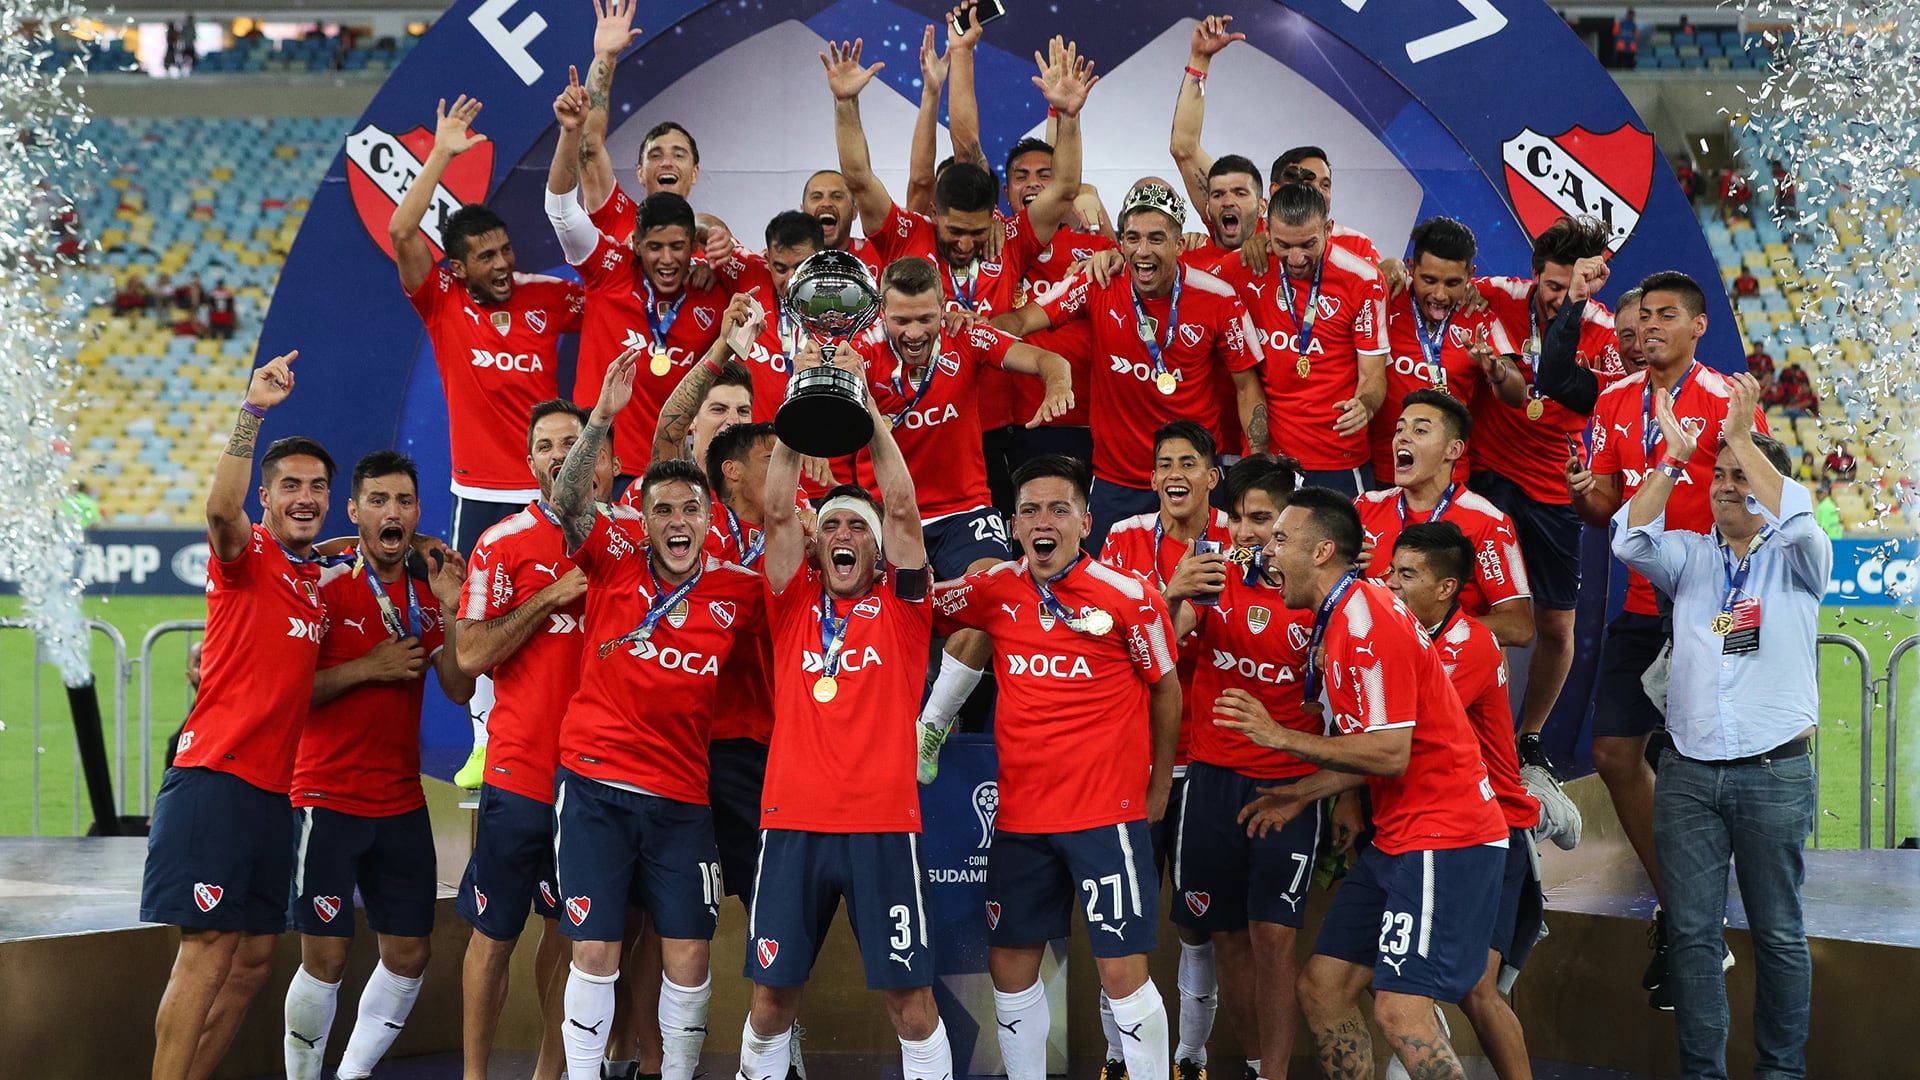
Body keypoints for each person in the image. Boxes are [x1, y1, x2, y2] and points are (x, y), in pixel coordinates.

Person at [1224, 487, 1508, 1080]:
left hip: (1446, 838)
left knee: (1402, 1011)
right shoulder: (1344, 616)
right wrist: (1299, 793)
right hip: (1402, 838)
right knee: (1324, 988)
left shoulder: (1366, 621)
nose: (1267, 553)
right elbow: (1371, 746)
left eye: (1280, 540)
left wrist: (1281, 738)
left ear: (1323, 550)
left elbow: (1389, 752)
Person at [546, 348, 764, 1080]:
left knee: (691, 955)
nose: (677, 522)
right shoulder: (611, 554)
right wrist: (602, 418)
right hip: (596, 789)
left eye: (689, 509)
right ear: (641, 521)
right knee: (597, 951)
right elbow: (569, 503)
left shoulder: (737, 588)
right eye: (662, 510)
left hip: (682, 800)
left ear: (710, 516)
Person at [736, 345, 953, 1080]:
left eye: (856, 529)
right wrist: (799, 419)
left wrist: (866, 409)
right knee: (770, 1000)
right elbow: (774, 510)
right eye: (830, 528)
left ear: (878, 550)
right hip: (791, 822)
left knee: (911, 1005)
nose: (842, 538)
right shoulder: (792, 607)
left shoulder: (905, 612)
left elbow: (900, 505)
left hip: (882, 826)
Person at [931, 454, 1182, 1080]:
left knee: (1122, 973)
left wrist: (1156, 787)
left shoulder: (1130, 597)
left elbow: (1167, 692)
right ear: (1013, 525)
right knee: (1009, 968)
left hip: (1106, 816)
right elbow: (920, 606)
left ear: (1085, 520)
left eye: (1058, 509)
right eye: (1030, 510)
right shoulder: (993, 589)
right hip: (1019, 819)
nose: (1044, 521)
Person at [1613, 375, 1827, 1080]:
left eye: (1743, 476)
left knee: (1779, 936)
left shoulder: (1800, 559)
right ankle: (1703, 1075)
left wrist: (1737, 434)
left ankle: (1781, 1072)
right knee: (1694, 936)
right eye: (1722, 474)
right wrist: (1674, 459)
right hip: (1687, 776)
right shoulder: (1688, 556)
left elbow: (1797, 515)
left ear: (1766, 487)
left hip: (1774, 774)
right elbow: (1628, 538)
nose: (1728, 485)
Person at [1567, 269, 1765, 1010]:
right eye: (1641, 316)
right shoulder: (1615, 400)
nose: (1647, 327)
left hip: (1716, 608)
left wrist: (1742, 614)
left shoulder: (1728, 401)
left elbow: (1761, 504)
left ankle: (1707, 919)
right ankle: (1688, 919)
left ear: (1698, 327)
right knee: (1613, 753)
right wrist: (1586, 493)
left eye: (1664, 316)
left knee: (1716, 762)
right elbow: (1610, 511)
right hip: (1643, 604)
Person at [142, 350, 337, 1080]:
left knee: (253, 959)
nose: (305, 497)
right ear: (267, 495)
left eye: (318, 486)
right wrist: (252, 413)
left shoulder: (310, 582)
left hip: (271, 793)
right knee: (210, 950)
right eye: (290, 485)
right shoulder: (247, 550)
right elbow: (220, 510)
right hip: (214, 779)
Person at [283, 452, 475, 1080]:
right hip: (325, 795)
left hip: (399, 801)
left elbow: (457, 689)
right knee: (326, 958)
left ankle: (353, 1073)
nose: (392, 512)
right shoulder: (327, 585)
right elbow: (290, 690)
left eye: (403, 502)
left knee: (410, 953)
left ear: (419, 512)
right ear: (354, 510)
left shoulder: (427, 590)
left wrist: (452, 608)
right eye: (378, 500)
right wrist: (371, 667)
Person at [454, 400, 609, 1080]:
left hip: (593, 777)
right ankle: (475, 1076)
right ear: (529, 462)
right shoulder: (501, 543)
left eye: (570, 442)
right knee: (494, 934)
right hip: (518, 772)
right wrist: (547, 598)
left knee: (567, 933)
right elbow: (469, 655)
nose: (557, 455)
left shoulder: (622, 542)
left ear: (594, 456)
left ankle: (551, 1074)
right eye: (544, 444)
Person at [1163, 457, 1321, 1080]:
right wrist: (1172, 593)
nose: (1247, 532)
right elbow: (1160, 647)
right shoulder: (1209, 576)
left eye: (1263, 519)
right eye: (1237, 518)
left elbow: (1346, 704)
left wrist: (1347, 799)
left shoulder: (1320, 592)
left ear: (1291, 525)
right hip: (1209, 781)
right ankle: (1257, 1066)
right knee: (1224, 938)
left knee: (1275, 942)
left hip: (1288, 789)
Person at [990, 183, 1255, 544]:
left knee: (1207, 589)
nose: (1142, 251)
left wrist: (1256, 465)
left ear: (1179, 245)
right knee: (1109, 594)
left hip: (1191, 481)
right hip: (1117, 483)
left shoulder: (1219, 298)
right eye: (1132, 238)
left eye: (1156, 239)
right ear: (1121, 244)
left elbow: (1247, 387)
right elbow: (1019, 322)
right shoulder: (1097, 282)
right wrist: (966, 326)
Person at [1095, 422, 1236, 1079]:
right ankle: (1120, 1061)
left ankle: (1190, 1057)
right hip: (1132, 759)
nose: (1173, 473)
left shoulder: (1243, 539)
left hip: (1206, 762)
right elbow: (1106, 638)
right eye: (1163, 465)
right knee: (1123, 922)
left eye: (1189, 462)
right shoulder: (1124, 539)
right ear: (1151, 480)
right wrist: (1173, 594)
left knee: (1196, 923)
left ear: (1212, 476)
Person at [1381, 522, 1544, 1080]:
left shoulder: (1469, 644)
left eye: (1408, 575)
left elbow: (1402, 725)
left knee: (1477, 988)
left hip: (1491, 830)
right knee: (1414, 986)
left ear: (1446, 588)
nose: (1392, 584)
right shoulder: (1408, 635)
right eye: (1391, 570)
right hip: (1429, 831)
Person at [1465, 217, 1621, 779]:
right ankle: (1467, 727)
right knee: (1474, 608)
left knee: (1556, 628)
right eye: (1551, 287)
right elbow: (1430, 285)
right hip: (1487, 477)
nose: (1557, 298)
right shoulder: (1494, 296)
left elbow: (1590, 405)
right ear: (1535, 276)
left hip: (1555, 486)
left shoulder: (1602, 330)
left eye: (1569, 287)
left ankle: (1528, 737)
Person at [547, 71, 731, 486]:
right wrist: (606, 59)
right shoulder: (612, 246)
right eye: (657, 154)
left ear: (696, 172)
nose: (666, 259)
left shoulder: (716, 264)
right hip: (606, 459)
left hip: (680, 466)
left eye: (679, 154)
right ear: (641, 170)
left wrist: (719, 241)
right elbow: (584, 160)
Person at [1214, 179, 1388, 495]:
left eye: (1308, 244)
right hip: (1268, 458)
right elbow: (1180, 285)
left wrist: (1365, 405)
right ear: (1266, 233)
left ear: (1329, 229)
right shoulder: (1241, 268)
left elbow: (1373, 375)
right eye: (1284, 245)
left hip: (1339, 458)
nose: (1296, 258)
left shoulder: (1363, 280)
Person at [1356, 389, 1535, 648]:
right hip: (1374, 664)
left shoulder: (1488, 523)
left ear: (1453, 449)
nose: (1403, 438)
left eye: (1420, 431)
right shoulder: (1364, 508)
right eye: (1399, 430)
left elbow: (1519, 627)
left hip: (1447, 672)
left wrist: (1422, 630)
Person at [1369, 217, 1520, 483]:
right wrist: (1385, 268)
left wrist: (1495, 369)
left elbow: (1517, 394)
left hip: (1448, 478)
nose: (1439, 294)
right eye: (1429, 280)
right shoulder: (1386, 298)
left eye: (1452, 283)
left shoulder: (1479, 314)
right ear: (1411, 268)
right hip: (1380, 472)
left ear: (1470, 275)